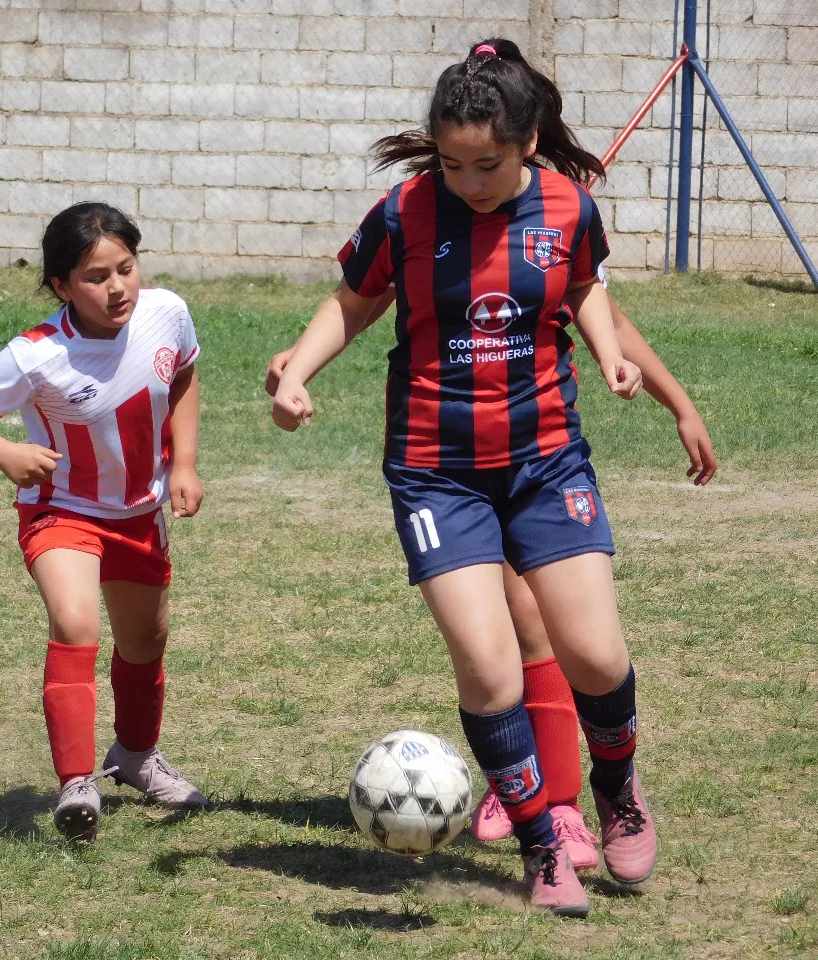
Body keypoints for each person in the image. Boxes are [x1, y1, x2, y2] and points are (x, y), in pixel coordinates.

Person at [270, 38, 657, 916]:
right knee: (490, 672)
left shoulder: (567, 206)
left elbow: (587, 285)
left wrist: (607, 355)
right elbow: (354, 301)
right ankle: (540, 846)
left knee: (594, 654)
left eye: (486, 164)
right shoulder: (405, 212)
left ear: (526, 143)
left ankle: (618, 791)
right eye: (451, 162)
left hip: (546, 456)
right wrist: (299, 373)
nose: (468, 181)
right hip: (435, 472)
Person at [265, 284, 716, 872]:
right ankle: (541, 807)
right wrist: (302, 360)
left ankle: (569, 802)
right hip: (450, 462)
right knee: (510, 633)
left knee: (564, 633)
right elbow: (365, 297)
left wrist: (678, 402)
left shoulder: (557, 216)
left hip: (538, 451)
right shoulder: (430, 215)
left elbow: (607, 317)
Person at [0, 202, 209, 844]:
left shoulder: (166, 313)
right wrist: (6, 452)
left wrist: (186, 463)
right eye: (95, 276)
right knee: (77, 622)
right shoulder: (36, 355)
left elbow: (188, 371)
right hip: (63, 511)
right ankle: (76, 784)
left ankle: (137, 758)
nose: (117, 287)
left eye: (126, 267)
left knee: (145, 643)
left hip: (140, 512)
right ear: (62, 285)